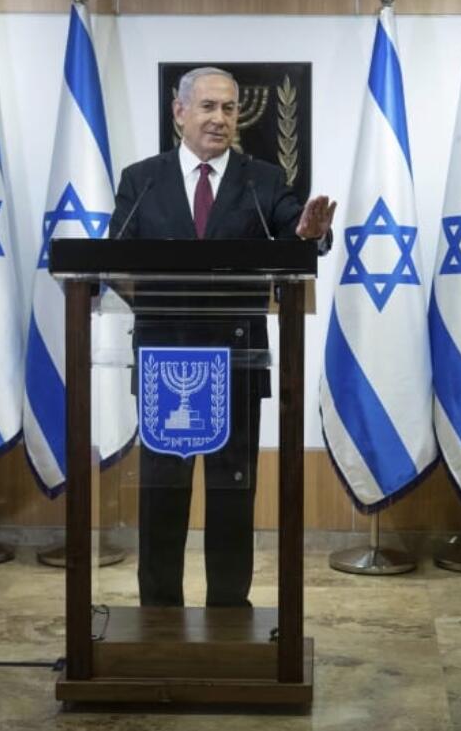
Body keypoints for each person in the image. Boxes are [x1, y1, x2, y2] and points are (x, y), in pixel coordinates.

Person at [110, 67, 335, 608]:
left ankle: (230, 610)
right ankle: (159, 610)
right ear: (179, 112)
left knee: (233, 491)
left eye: (230, 109)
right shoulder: (141, 180)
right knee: (163, 492)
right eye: (208, 107)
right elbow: (113, 256)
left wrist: (307, 232)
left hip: (238, 358)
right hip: (167, 360)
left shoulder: (263, 180)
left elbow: (294, 232)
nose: (220, 119)